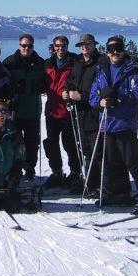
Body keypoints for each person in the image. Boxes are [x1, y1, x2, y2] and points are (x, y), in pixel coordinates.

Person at [89, 35, 138, 210]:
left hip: (125, 124)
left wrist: (118, 98)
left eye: (118, 48)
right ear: (107, 52)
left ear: (124, 49)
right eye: (112, 49)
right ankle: (117, 194)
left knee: (132, 162)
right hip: (107, 124)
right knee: (111, 162)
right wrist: (101, 102)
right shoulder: (101, 70)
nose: (116, 52)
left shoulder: (133, 71)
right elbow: (93, 96)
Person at [3, 34, 47, 181]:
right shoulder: (9, 62)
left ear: (33, 47)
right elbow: (2, 84)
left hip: (33, 111)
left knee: (32, 143)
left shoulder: (40, 62)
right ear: (19, 45)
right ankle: (13, 170)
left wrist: (42, 86)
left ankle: (30, 168)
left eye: (29, 46)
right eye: (24, 45)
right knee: (13, 142)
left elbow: (46, 81)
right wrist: (11, 91)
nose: (26, 48)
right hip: (14, 111)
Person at [64, 34, 102, 196]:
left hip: (95, 113)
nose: (84, 47)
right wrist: (66, 91)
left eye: (88, 44)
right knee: (85, 150)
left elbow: (101, 87)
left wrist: (83, 96)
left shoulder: (101, 63)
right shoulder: (78, 63)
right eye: (82, 45)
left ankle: (101, 185)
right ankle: (90, 183)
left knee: (97, 151)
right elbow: (71, 80)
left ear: (93, 45)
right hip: (80, 113)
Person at [43, 35, 81, 189]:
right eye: (57, 46)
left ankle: (75, 172)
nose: (60, 48)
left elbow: (80, 80)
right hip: (51, 110)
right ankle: (57, 172)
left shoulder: (74, 63)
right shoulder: (48, 64)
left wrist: (73, 92)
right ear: (54, 46)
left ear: (67, 46)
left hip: (67, 111)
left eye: (63, 46)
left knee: (70, 144)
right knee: (51, 143)